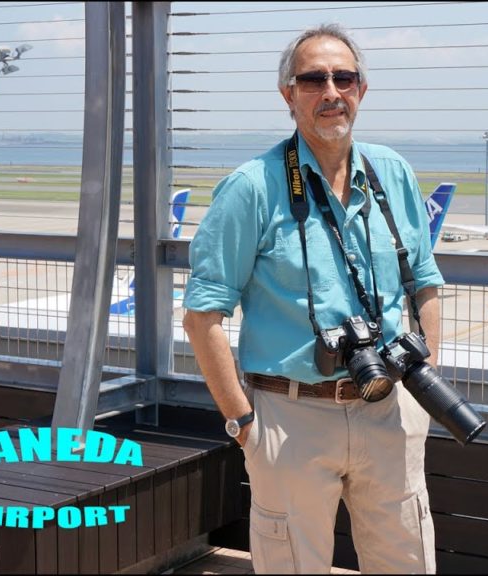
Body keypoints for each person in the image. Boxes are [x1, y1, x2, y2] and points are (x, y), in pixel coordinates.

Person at [182, 23, 443, 574]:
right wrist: (243, 424)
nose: (331, 92)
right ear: (289, 95)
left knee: (408, 562)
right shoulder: (253, 186)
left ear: (361, 90)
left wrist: (424, 382)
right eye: (313, 79)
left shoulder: (391, 173)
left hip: (388, 410)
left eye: (343, 78)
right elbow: (202, 316)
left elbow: (425, 281)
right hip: (290, 416)